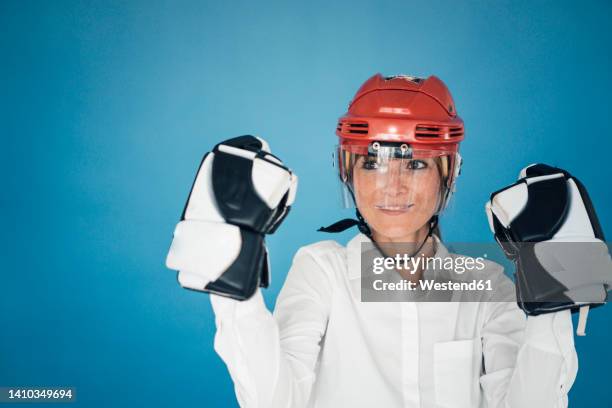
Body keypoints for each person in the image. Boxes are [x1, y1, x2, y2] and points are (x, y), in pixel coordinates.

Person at [168, 74, 582, 407]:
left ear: (448, 175)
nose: (393, 187)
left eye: (416, 163)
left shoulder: (486, 286)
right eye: (372, 163)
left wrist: (555, 300)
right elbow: (274, 400)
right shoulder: (321, 271)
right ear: (348, 172)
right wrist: (231, 287)